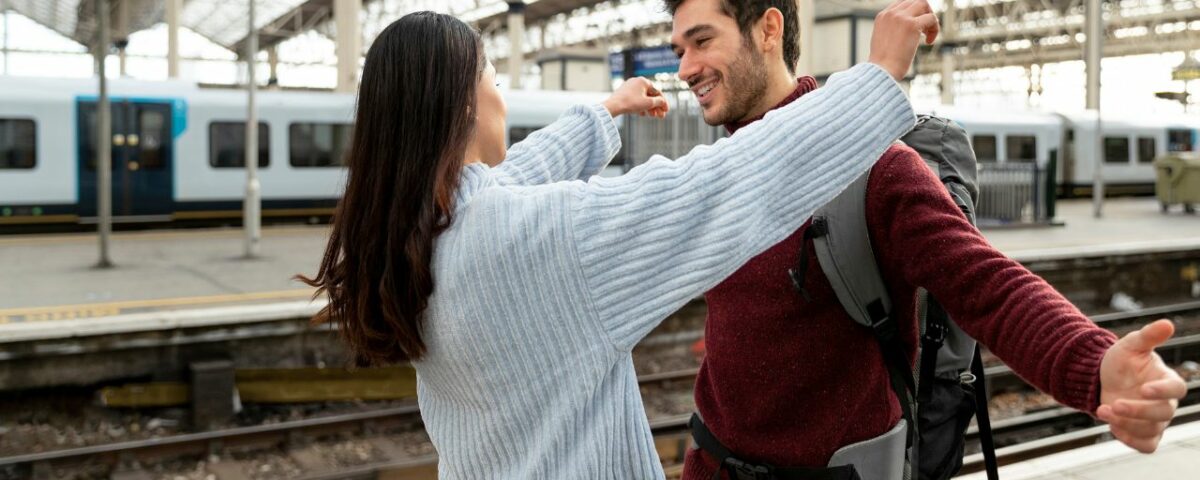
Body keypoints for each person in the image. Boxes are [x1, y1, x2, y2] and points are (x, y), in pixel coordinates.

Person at [298, 4, 937, 478]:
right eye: (490, 75)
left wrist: (607, 111)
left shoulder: (412, 240)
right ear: (463, 103)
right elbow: (722, 184)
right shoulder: (547, 241)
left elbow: (508, 182)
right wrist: (876, 78)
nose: (500, 92)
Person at [660, 1, 1190, 479]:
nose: (684, 69)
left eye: (703, 42)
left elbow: (986, 285)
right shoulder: (718, 172)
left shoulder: (875, 168)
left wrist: (1096, 367)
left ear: (769, 29)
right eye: (680, 49)